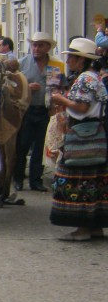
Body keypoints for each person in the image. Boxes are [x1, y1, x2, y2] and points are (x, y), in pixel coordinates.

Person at [48, 37, 108, 240]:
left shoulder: (85, 79)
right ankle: (95, 227)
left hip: (82, 134)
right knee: (94, 180)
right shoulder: (94, 78)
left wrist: (60, 99)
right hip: (93, 133)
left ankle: (82, 228)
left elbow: (82, 107)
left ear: (81, 60)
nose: (68, 61)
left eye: (72, 58)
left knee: (77, 179)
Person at [15, 31, 64, 192]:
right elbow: (12, 86)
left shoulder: (56, 65)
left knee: (40, 147)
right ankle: (18, 179)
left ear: (47, 48)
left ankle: (36, 180)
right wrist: (26, 88)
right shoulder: (21, 63)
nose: (35, 48)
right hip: (27, 110)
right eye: (34, 45)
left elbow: (60, 87)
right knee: (22, 146)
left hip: (45, 111)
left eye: (40, 45)